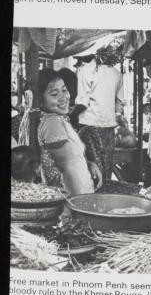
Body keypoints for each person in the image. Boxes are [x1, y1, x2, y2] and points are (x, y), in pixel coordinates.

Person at [37, 69, 101, 195]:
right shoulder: (52, 123)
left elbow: (69, 159)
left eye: (64, 90)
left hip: (82, 194)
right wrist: (78, 204)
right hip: (75, 198)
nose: (63, 97)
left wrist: (89, 164)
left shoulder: (58, 119)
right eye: (54, 94)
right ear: (40, 100)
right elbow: (67, 168)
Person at [74, 50, 125, 181]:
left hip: (89, 126)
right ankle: (105, 195)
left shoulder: (85, 70)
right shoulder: (117, 73)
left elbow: (82, 103)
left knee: (89, 167)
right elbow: (119, 103)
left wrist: (70, 115)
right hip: (108, 128)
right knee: (106, 166)